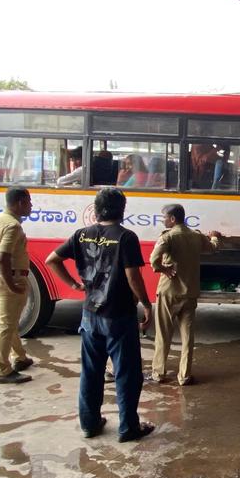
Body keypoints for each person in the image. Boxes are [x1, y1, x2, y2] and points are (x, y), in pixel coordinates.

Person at [45, 188, 154, 442]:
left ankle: (90, 424)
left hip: (90, 316)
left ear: (96, 210)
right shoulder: (126, 237)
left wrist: (73, 285)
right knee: (127, 373)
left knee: (91, 372)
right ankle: (128, 428)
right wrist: (147, 305)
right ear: (122, 210)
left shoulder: (81, 235)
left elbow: (52, 260)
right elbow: (132, 276)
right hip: (119, 316)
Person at [150, 204, 222, 386]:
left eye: (164, 217)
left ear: (172, 219)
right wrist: (214, 236)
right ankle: (184, 376)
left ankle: (159, 373)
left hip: (168, 293)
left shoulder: (168, 237)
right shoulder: (196, 237)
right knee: (188, 337)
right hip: (189, 293)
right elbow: (213, 248)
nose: (163, 220)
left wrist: (164, 269)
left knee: (163, 334)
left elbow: (153, 262)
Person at [0, 186, 36, 384]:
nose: (31, 205)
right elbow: (2, 258)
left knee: (9, 321)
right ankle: (2, 370)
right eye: (28, 202)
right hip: (10, 277)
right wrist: (10, 283)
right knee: (6, 324)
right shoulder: (12, 226)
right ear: (20, 203)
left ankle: (20, 357)